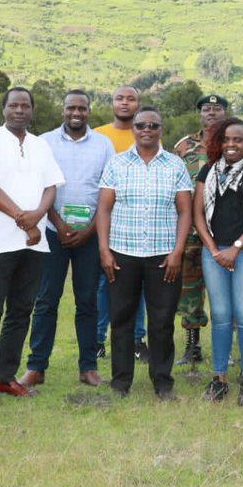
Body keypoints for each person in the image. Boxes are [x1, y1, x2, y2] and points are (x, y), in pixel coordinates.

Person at [0, 88, 64, 404]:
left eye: (25, 105)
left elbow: (51, 185)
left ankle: (4, 377)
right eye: (13, 105)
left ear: (32, 110)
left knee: (21, 310)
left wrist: (38, 217)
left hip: (34, 243)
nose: (19, 110)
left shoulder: (40, 145)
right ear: (4, 109)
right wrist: (21, 218)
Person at [96, 107, 193, 400]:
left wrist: (178, 252)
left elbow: (185, 210)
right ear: (133, 130)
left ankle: (162, 382)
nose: (146, 130)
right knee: (122, 319)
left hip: (164, 257)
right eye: (141, 125)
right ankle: (120, 382)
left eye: (153, 125)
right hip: (123, 253)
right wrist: (104, 250)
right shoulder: (117, 163)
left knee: (162, 322)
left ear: (161, 129)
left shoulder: (175, 165)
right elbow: (103, 208)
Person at [19, 91, 114, 389]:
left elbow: (108, 189)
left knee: (87, 302)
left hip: (89, 233)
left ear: (89, 111)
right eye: (71, 107)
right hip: (52, 232)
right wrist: (58, 225)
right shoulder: (44, 142)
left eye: (82, 108)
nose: (77, 112)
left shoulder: (103, 144)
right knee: (46, 300)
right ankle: (36, 367)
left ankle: (88, 367)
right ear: (63, 110)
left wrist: (89, 230)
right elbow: (40, 186)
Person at [194, 118, 243, 405]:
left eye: (238, 139)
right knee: (221, 316)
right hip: (214, 252)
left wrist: (236, 247)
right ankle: (219, 379)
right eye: (226, 139)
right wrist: (215, 250)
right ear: (219, 141)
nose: (231, 144)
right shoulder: (208, 170)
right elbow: (198, 215)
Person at [94, 85, 149, 362]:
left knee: (137, 284)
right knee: (105, 283)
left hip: (137, 223)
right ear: (112, 102)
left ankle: (137, 339)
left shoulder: (147, 132)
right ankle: (98, 340)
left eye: (131, 98)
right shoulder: (99, 135)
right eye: (120, 98)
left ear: (138, 104)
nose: (125, 103)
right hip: (105, 220)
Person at [173, 93, 227, 366]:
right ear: (200, 114)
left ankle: (224, 348)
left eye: (217, 109)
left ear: (225, 114)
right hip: (191, 231)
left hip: (225, 231)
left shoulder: (234, 142)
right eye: (206, 109)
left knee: (224, 291)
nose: (211, 113)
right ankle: (192, 347)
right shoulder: (184, 147)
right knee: (189, 289)